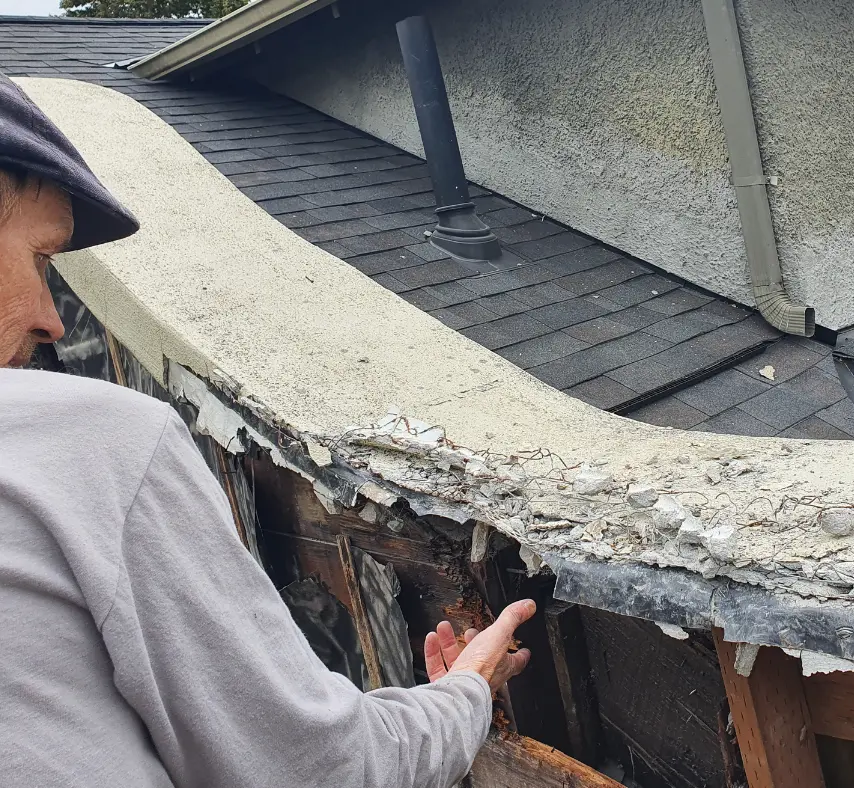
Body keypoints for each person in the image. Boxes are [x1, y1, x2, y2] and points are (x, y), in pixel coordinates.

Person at [0, 74, 534, 787]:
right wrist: (467, 690)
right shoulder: (94, 448)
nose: (53, 318)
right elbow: (312, 771)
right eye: (40, 258)